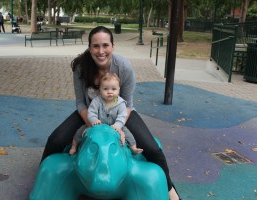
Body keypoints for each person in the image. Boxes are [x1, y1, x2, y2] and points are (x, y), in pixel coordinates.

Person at [41, 26, 180, 200]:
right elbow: (80, 103)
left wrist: (118, 126)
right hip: (91, 112)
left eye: (105, 45)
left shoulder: (124, 67)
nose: (101, 51)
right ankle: (45, 178)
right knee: (56, 139)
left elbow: (128, 104)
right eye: (95, 46)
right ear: (89, 47)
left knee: (153, 149)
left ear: (112, 46)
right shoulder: (81, 68)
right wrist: (94, 126)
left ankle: (170, 190)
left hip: (120, 113)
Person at [69, 72, 143, 155]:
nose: (109, 92)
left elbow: (122, 116)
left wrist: (118, 125)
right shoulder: (96, 101)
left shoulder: (121, 103)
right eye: (105, 89)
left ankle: (133, 147)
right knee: (80, 131)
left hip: (114, 126)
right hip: (98, 125)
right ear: (100, 90)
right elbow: (91, 112)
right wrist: (94, 120)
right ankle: (74, 146)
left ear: (119, 90)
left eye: (113, 89)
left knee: (128, 134)